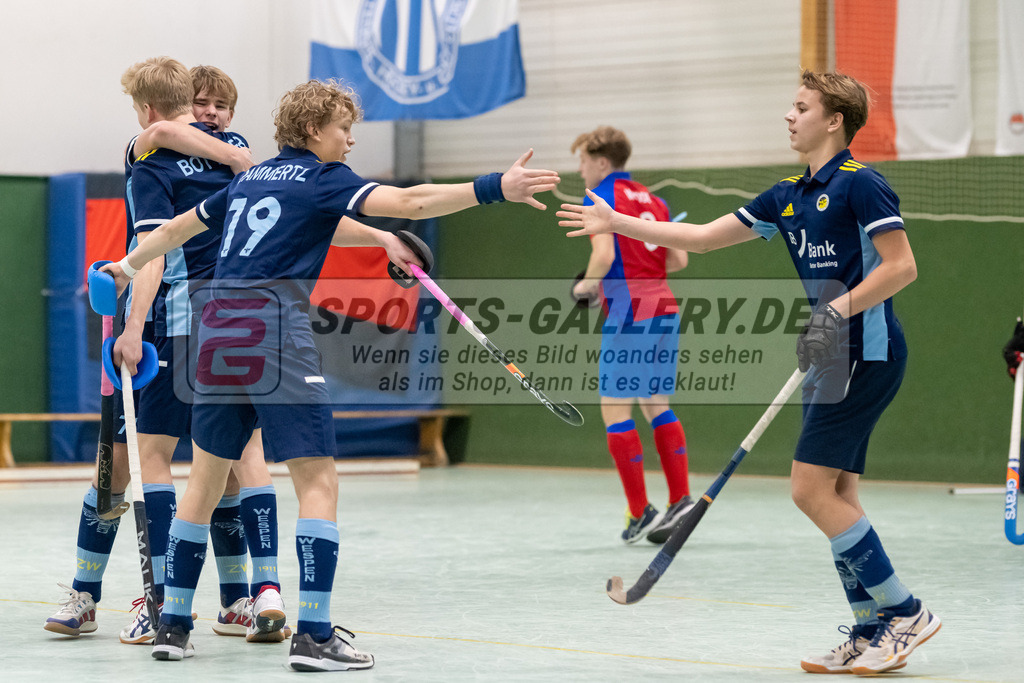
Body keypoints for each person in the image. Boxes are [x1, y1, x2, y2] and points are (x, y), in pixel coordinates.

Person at [102, 78, 559, 671]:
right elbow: (414, 201)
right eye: (345, 129)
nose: (349, 140)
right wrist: (497, 186)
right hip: (272, 330)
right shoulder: (324, 179)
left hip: (215, 331)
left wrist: (126, 265)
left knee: (205, 482)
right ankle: (315, 636)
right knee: (317, 481)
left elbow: (178, 228)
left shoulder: (250, 177)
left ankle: (174, 626)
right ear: (316, 130)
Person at [557, 70, 939, 676]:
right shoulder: (786, 195)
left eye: (801, 106)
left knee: (809, 490)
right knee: (839, 493)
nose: (789, 116)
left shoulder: (862, 185)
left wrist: (835, 310)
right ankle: (870, 631)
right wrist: (619, 224)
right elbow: (703, 239)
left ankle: (905, 612)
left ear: (834, 119)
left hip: (865, 352)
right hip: (830, 356)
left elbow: (902, 267)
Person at [43, 56, 253, 640]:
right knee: (223, 467)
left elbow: (155, 252)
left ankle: (148, 597)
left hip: (171, 324)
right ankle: (236, 599)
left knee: (134, 464)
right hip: (240, 327)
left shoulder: (150, 161)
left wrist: (132, 331)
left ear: (143, 109)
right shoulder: (233, 149)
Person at [185, 64, 291, 643]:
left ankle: (261, 589)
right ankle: (233, 601)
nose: (212, 113)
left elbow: (235, 153)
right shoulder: (163, 152)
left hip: (227, 312)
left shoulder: (234, 150)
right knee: (213, 467)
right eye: (200, 103)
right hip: (175, 318)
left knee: (243, 452)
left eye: (221, 104)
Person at [568, 126, 693, 544]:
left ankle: (640, 513)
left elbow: (602, 255)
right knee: (656, 403)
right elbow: (677, 259)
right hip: (665, 309)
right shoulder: (654, 200)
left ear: (601, 162)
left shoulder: (599, 198)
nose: (581, 170)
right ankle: (681, 501)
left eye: (583, 161)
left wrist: (584, 286)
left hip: (630, 312)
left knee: (615, 412)